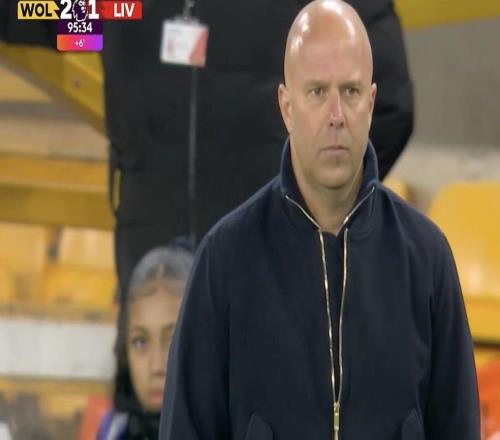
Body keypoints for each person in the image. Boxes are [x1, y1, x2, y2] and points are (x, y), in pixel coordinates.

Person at [159, 1, 479, 439]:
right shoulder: (224, 262)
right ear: (286, 106)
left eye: (350, 91)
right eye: (316, 92)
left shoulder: (427, 259)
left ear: (371, 103)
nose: (336, 116)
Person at [101, 0, 413, 298]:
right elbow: (78, 28)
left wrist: (323, 199)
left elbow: (388, 105)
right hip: (151, 272)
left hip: (275, 260)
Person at [98, 243, 193, 440]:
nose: (156, 367)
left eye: (173, 341)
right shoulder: (113, 431)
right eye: (140, 342)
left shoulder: (234, 428)